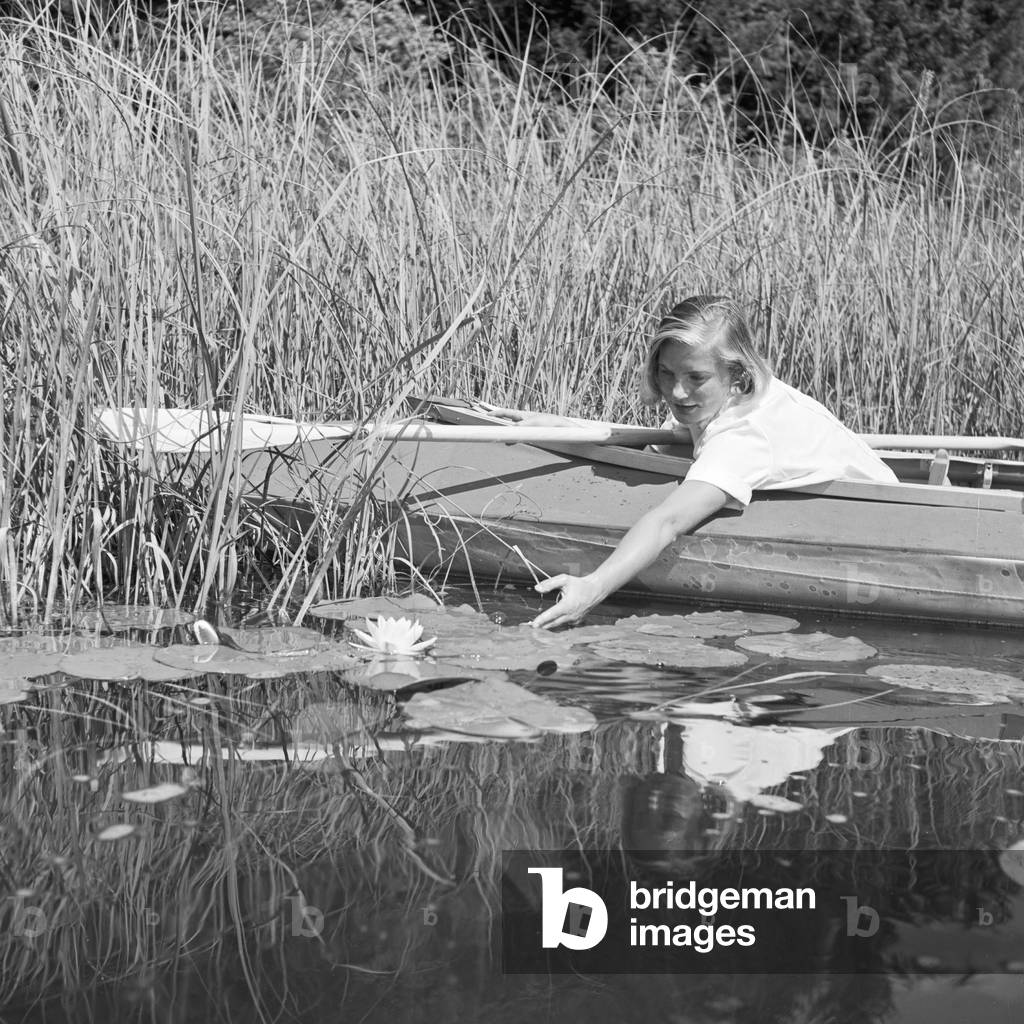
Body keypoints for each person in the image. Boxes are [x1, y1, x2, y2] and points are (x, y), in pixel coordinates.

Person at [488, 295, 898, 629]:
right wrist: (561, 425)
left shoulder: (744, 435)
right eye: (667, 374)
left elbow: (667, 522)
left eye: (695, 378)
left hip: (884, 518)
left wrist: (592, 588)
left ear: (736, 375)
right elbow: (662, 445)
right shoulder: (725, 401)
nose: (677, 392)